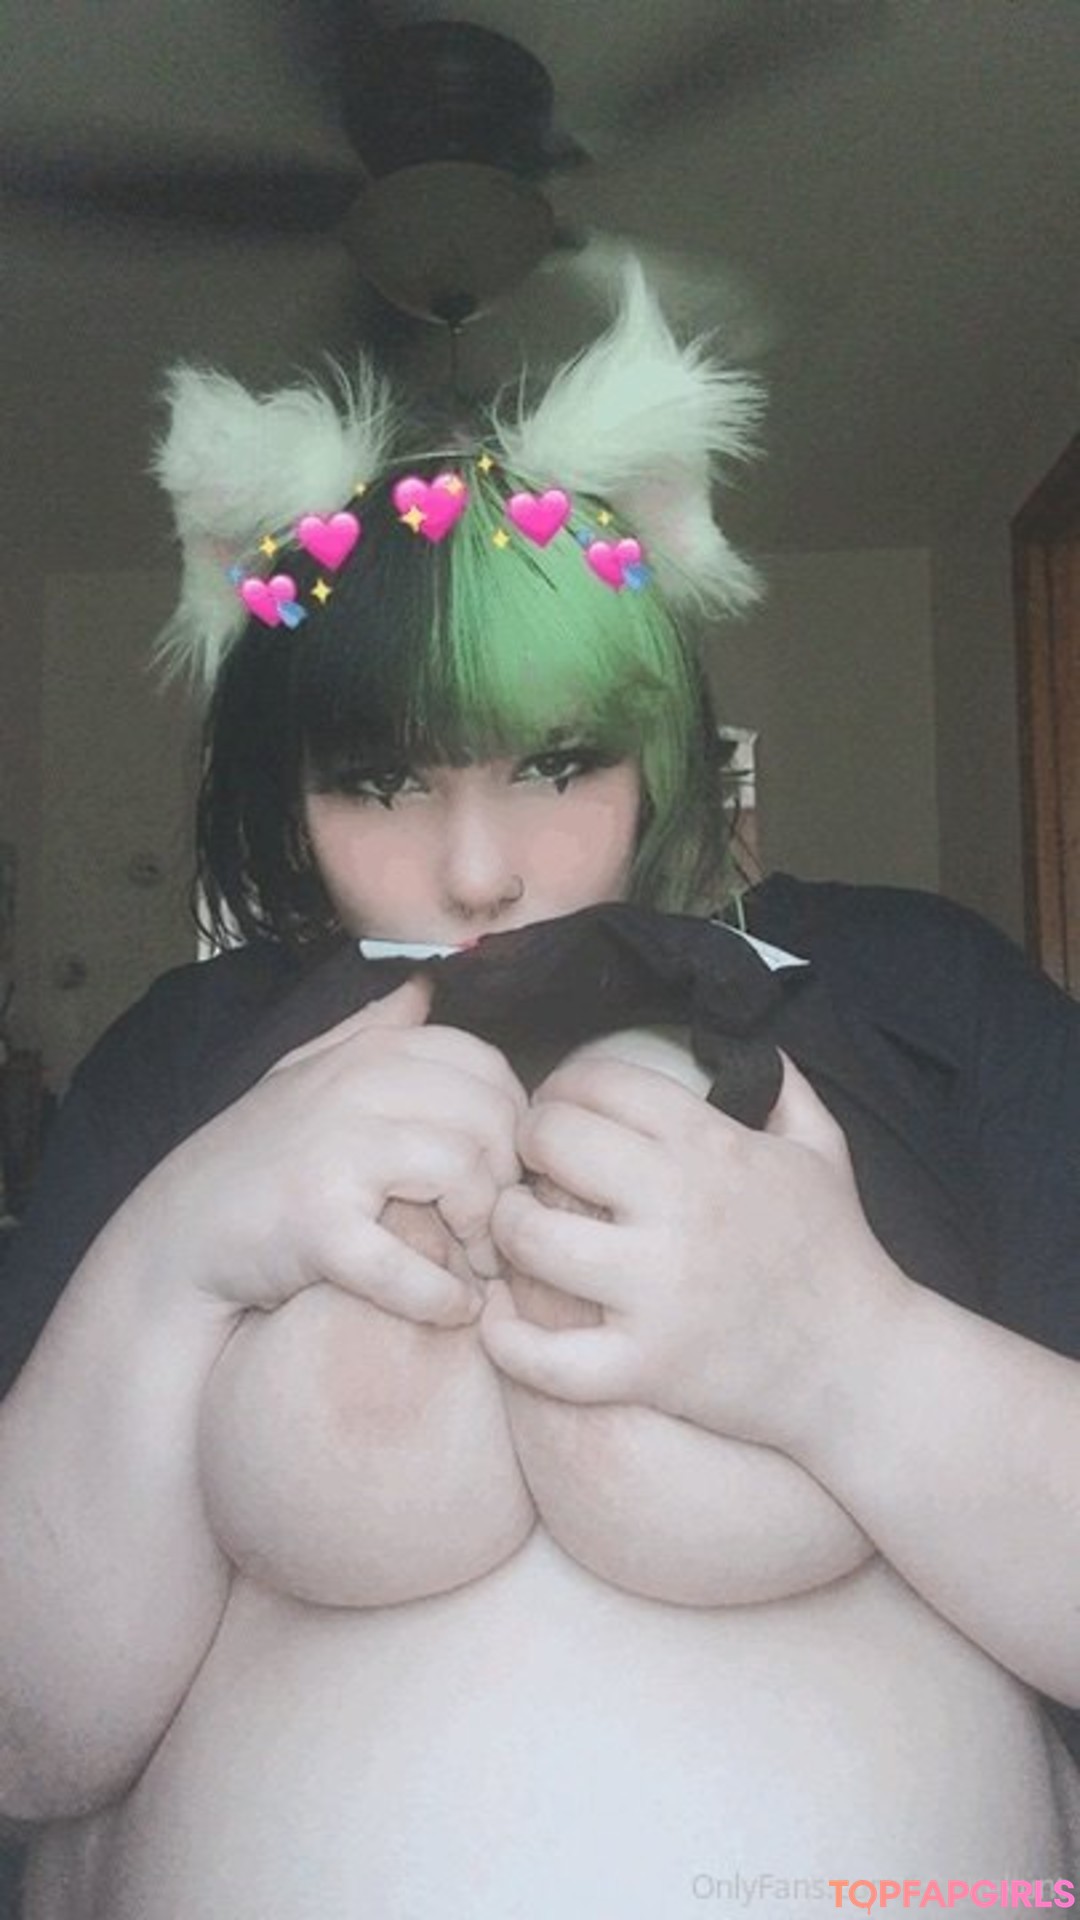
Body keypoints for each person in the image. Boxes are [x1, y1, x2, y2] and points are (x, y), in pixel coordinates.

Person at [0, 264, 1078, 1920]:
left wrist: (852, 1357)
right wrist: (178, 1250)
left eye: (557, 760)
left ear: (662, 740)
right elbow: (24, 1749)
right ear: (286, 792)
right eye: (379, 779)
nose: (477, 867)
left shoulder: (923, 989)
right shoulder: (181, 1052)